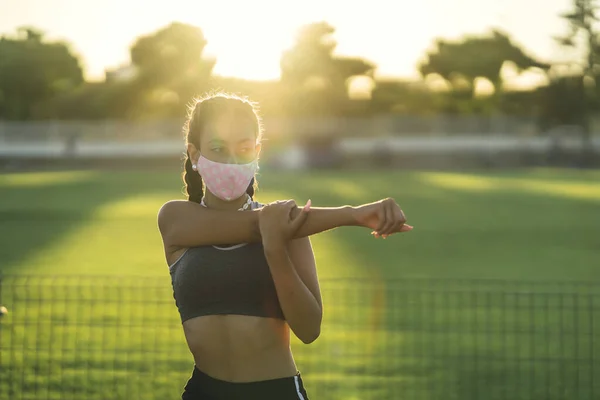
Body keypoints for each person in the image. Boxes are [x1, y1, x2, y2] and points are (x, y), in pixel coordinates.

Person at [157, 92, 413, 400]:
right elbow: (255, 225)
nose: (232, 159)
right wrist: (352, 214)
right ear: (195, 154)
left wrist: (276, 251)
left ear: (257, 152)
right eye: (217, 148)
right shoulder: (176, 218)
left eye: (244, 147)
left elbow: (308, 329)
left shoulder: (290, 229)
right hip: (204, 390)